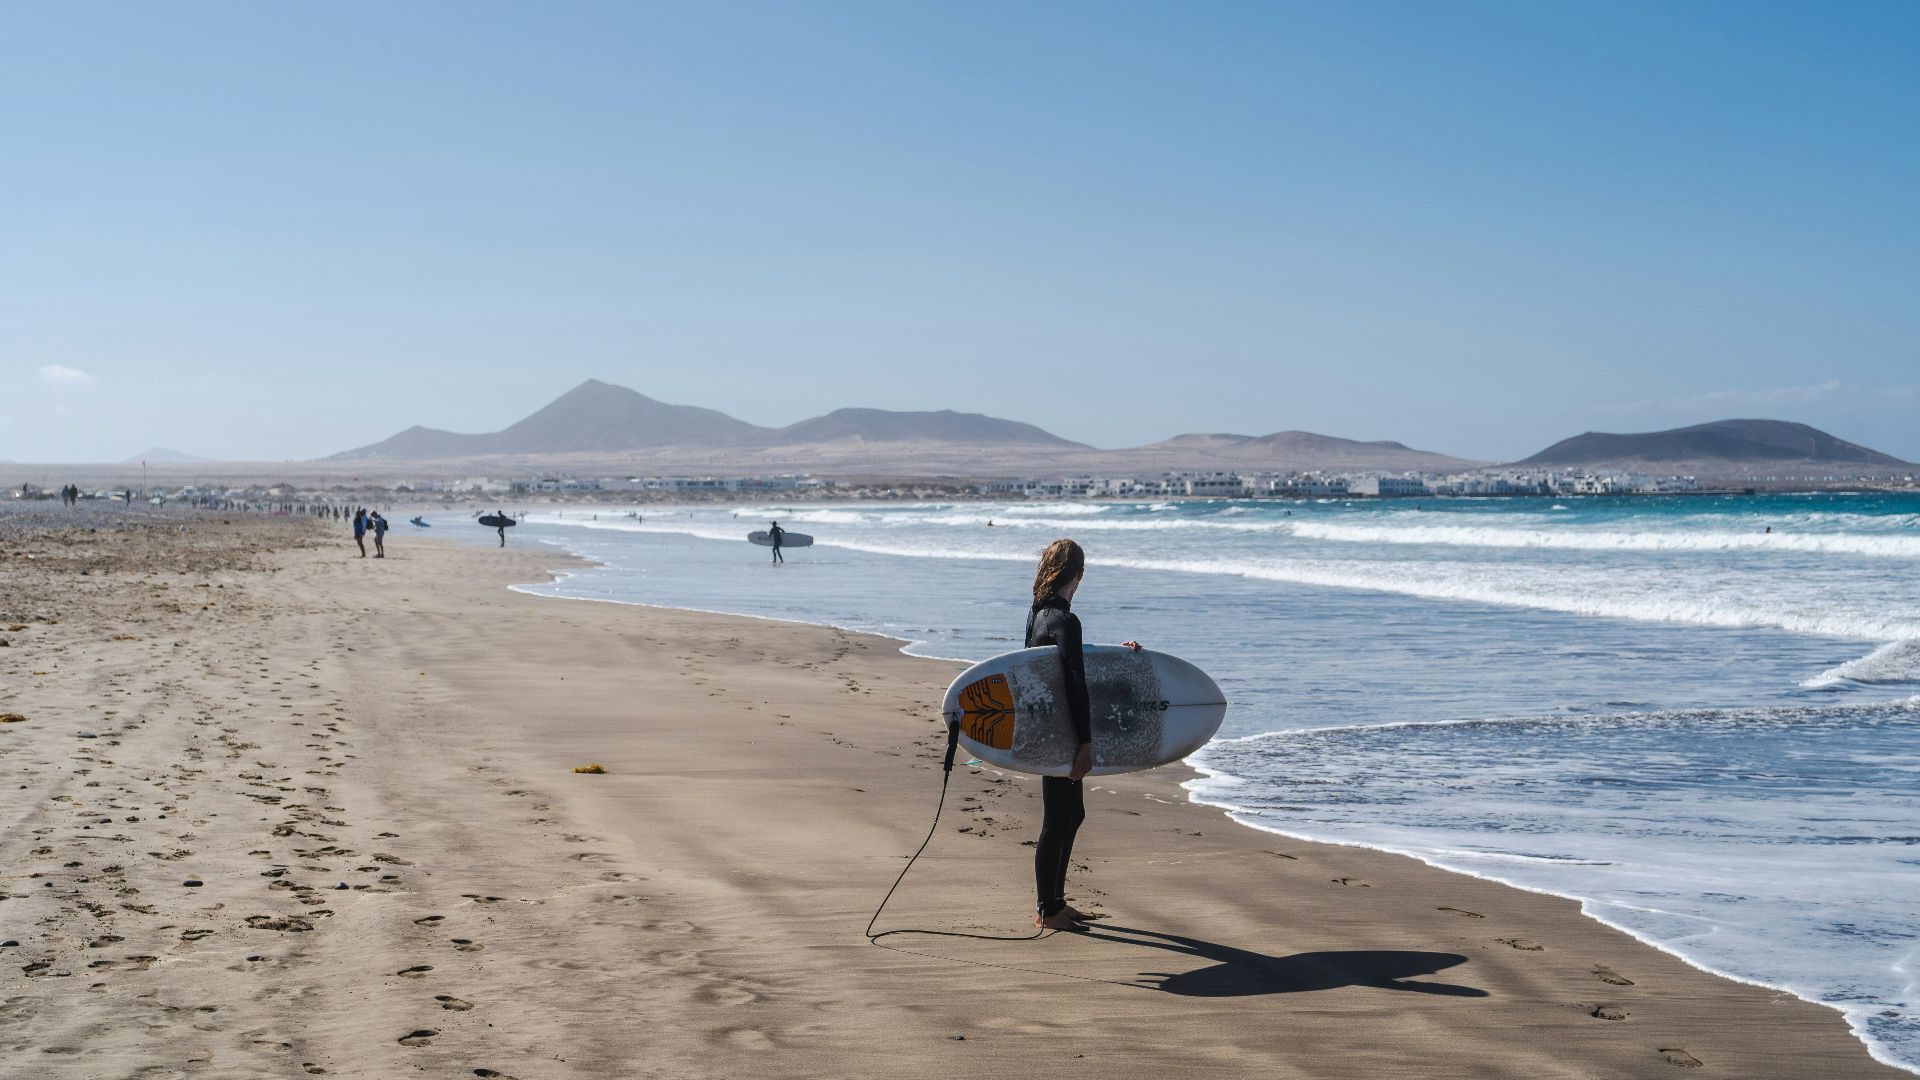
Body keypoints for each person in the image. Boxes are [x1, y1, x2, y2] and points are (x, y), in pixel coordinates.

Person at [1025, 538, 1139, 931]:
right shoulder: (1066, 620)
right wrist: (1086, 745)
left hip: (1046, 729)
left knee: (1072, 814)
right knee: (1057, 819)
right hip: (1065, 735)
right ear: (1079, 575)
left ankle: (1055, 901)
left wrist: (1120, 657)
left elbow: (1066, 664)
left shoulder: (1039, 616)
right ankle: (1048, 910)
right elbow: (1076, 684)